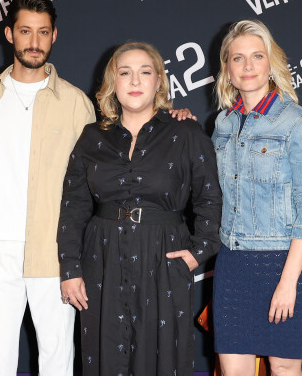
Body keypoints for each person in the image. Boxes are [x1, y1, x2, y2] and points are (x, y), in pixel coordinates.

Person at [57, 41, 222, 376]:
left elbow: (210, 199)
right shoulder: (91, 138)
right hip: (102, 258)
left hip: (164, 256)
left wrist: (198, 251)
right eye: (125, 73)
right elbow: (73, 207)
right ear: (112, 84)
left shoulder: (186, 132)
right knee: (105, 354)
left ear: (158, 81)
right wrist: (70, 269)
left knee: (162, 358)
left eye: (145, 72)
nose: (135, 81)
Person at [0, 0, 96, 376]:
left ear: (54, 35)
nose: (34, 42)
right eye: (25, 31)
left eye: (43, 32)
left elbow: (94, 181)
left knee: (58, 359)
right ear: (9, 34)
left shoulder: (76, 103)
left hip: (53, 248)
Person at [211, 20, 302, 375]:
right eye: (237, 58)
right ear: (227, 71)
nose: (247, 66)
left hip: (287, 262)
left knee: (285, 369)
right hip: (234, 264)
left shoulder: (299, 124)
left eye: (257, 56)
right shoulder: (222, 125)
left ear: (271, 64)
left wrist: (288, 282)